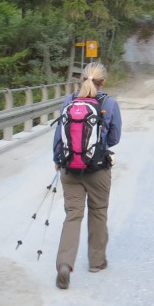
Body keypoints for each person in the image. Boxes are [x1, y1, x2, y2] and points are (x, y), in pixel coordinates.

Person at [51, 61, 122, 290]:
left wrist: (57, 160)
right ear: (104, 82)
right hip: (97, 169)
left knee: (73, 215)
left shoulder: (68, 101)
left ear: (81, 79)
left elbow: (59, 135)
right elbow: (114, 138)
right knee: (98, 211)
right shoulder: (109, 104)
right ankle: (96, 261)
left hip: (69, 167)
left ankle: (64, 264)